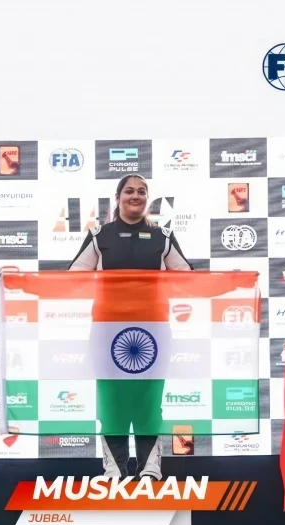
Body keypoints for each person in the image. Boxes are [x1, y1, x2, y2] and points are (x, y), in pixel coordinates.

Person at [68, 174, 192, 480]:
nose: (135, 196)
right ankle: (114, 470)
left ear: (147, 199)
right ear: (118, 197)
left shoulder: (163, 236)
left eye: (141, 192)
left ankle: (150, 469)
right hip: (107, 332)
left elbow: (187, 276)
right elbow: (73, 276)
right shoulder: (99, 235)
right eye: (129, 191)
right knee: (111, 402)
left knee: (149, 401)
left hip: (153, 332)